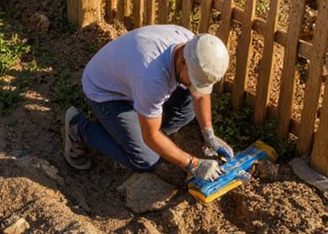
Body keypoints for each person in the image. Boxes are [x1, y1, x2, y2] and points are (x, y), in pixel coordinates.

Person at [63, 25, 234, 182]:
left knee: (188, 107)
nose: (196, 86)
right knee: (146, 159)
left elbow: (200, 96)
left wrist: (209, 134)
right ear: (183, 61)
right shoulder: (152, 79)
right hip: (106, 92)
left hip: (133, 81)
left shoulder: (194, 47)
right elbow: (150, 136)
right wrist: (193, 164)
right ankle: (78, 127)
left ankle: (144, 133)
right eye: (195, 80)